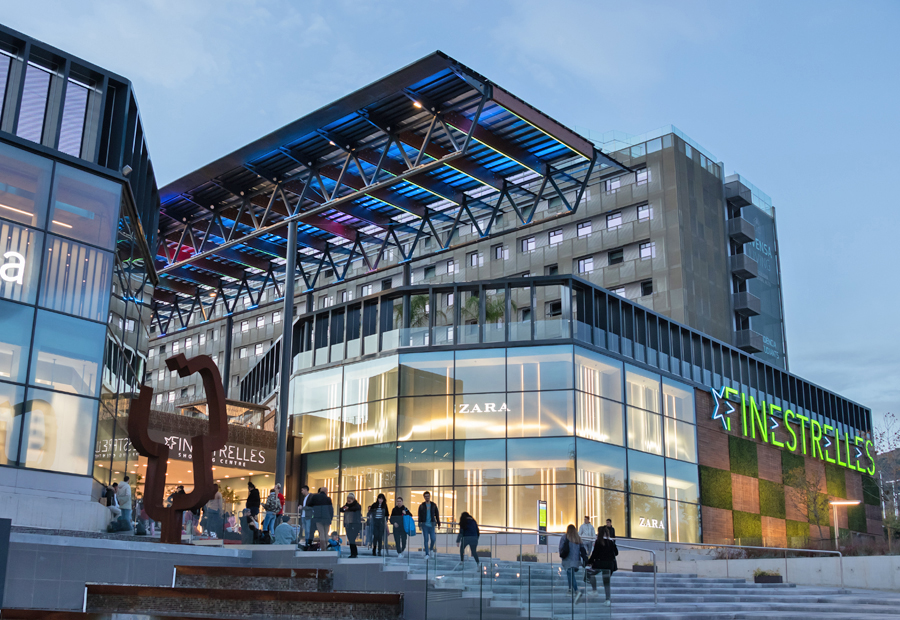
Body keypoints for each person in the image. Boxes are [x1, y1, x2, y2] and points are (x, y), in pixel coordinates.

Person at [586, 525, 618, 606]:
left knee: (589, 573)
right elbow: (616, 553)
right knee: (606, 582)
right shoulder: (611, 541)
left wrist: (589, 562)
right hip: (610, 565)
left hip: (600, 564)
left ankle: (594, 590)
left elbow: (594, 554)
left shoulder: (598, 541)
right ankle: (607, 600)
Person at [560, 524, 589, 603]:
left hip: (568, 560)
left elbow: (561, 548)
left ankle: (576, 590)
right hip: (576, 561)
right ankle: (570, 589)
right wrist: (584, 560)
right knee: (571, 574)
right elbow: (583, 551)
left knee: (570, 575)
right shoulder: (578, 538)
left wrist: (562, 556)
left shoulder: (565, 537)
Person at [418, 491, 440, 559]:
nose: (427, 497)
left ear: (430, 497)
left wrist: (438, 523)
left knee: (433, 539)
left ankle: (431, 550)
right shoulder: (421, 506)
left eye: (428, 496)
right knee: (426, 539)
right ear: (424, 497)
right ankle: (427, 554)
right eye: (426, 496)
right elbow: (420, 516)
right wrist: (419, 525)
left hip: (432, 525)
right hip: (425, 525)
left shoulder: (433, 505)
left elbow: (437, 514)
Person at [340, 492, 362, 558]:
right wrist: (346, 508)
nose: (348, 502)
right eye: (348, 500)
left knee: (352, 539)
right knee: (350, 539)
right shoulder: (346, 505)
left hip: (354, 525)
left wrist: (348, 508)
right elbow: (341, 509)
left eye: (350, 500)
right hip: (348, 524)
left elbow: (356, 508)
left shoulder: (357, 506)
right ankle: (353, 553)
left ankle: (354, 553)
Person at [313, 487, 334, 551]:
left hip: (318, 518)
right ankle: (326, 546)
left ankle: (323, 548)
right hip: (327, 518)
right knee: (326, 533)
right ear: (325, 492)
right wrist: (330, 518)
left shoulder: (316, 498)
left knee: (321, 533)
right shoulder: (328, 499)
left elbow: (312, 507)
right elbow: (331, 510)